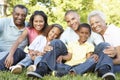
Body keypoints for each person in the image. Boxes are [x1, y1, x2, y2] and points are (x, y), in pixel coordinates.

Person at [27, 23, 115, 80]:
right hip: (67, 66)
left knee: (92, 61)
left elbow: (88, 59)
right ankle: (43, 69)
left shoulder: (90, 45)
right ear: (78, 33)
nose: (84, 35)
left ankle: (71, 72)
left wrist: (92, 57)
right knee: (56, 63)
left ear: (89, 35)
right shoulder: (72, 44)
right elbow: (69, 56)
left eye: (86, 33)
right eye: (82, 33)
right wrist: (62, 57)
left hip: (81, 65)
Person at [0, 4, 28, 70]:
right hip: (1, 53)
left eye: (23, 15)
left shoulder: (29, 27)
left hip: (16, 55)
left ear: (26, 16)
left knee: (19, 51)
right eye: (17, 14)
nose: (20, 17)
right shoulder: (4, 22)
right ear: (12, 14)